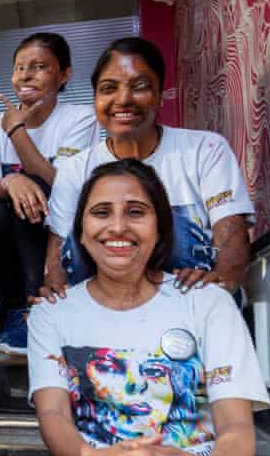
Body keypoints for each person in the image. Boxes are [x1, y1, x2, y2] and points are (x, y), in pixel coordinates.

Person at [28, 159, 270, 456]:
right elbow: (53, 417)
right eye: (101, 213)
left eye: (136, 212)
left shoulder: (206, 302)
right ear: (81, 230)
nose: (118, 227)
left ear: (160, 228)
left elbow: (237, 426)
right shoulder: (52, 314)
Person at [41, 37, 253, 302]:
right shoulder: (75, 168)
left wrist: (222, 284)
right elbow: (61, 248)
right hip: (107, 300)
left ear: (160, 94)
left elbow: (231, 231)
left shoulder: (205, 148)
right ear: (95, 100)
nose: (123, 99)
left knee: (167, 222)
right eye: (108, 89)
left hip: (189, 295)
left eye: (139, 87)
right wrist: (59, 299)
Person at [0, 32, 98, 354]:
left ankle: (38, 307)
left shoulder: (80, 118)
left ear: (64, 74)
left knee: (37, 187)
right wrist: (10, 183)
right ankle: (15, 310)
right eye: (20, 67)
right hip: (8, 238)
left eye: (39, 67)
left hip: (63, 230)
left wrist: (17, 132)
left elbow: (63, 184)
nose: (26, 75)